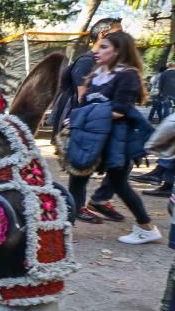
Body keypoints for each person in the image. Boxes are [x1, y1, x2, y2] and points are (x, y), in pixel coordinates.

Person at [66, 31, 161, 244]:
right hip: (90, 137)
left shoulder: (128, 75)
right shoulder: (97, 72)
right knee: (77, 178)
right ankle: (65, 229)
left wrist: (80, 119)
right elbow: (86, 105)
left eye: (103, 47)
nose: (97, 51)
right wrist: (74, 120)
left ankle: (146, 227)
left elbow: (119, 110)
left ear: (118, 51)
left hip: (116, 140)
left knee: (119, 184)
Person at [51, 17, 126, 222]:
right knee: (82, 168)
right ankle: (75, 210)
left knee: (121, 161)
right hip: (79, 120)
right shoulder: (86, 62)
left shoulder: (104, 62)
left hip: (94, 120)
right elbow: (84, 98)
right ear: (102, 35)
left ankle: (98, 200)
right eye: (118, 32)